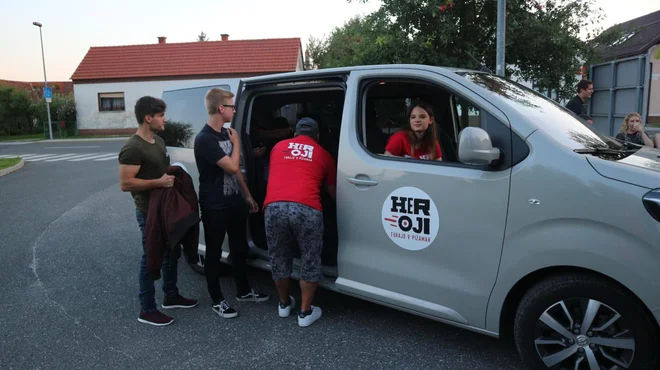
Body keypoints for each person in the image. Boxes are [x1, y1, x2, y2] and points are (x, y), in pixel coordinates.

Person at [118, 96, 198, 327]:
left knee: (171, 253)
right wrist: (159, 182)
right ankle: (147, 309)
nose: (165, 119)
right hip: (148, 213)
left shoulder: (159, 141)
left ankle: (171, 295)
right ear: (148, 118)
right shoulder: (132, 148)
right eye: (161, 115)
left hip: (166, 210)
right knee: (150, 257)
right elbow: (126, 183)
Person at [194, 88, 269, 319]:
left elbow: (237, 174)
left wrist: (247, 195)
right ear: (220, 108)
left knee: (239, 248)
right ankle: (217, 299)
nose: (234, 110)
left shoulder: (227, 133)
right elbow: (233, 166)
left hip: (234, 201)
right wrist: (236, 144)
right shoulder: (205, 138)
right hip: (214, 205)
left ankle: (243, 291)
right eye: (231, 106)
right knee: (214, 253)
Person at [262, 117, 337, 327]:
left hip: (274, 207)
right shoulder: (324, 154)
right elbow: (332, 192)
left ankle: (284, 304)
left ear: (295, 134)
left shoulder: (278, 147)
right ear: (318, 137)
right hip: (307, 207)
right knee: (310, 259)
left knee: (279, 257)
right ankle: (305, 313)